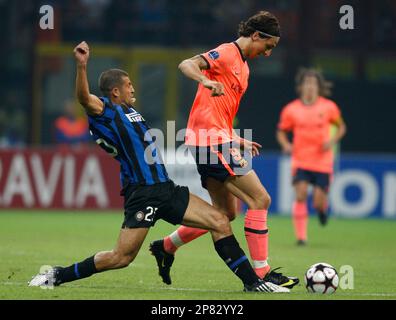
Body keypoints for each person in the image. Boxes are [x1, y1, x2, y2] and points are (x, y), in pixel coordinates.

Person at [28, 41, 289, 293]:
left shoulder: (130, 111)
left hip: (165, 189)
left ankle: (253, 283)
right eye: (128, 85)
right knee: (122, 257)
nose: (133, 89)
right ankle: (57, 275)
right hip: (142, 194)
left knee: (220, 221)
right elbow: (84, 98)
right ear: (115, 91)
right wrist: (82, 66)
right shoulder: (106, 111)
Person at [150, 11, 299, 289]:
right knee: (260, 199)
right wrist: (204, 80)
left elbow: (219, 112)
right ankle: (263, 273)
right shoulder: (227, 53)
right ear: (256, 35)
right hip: (209, 142)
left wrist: (236, 139)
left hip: (216, 139)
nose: (267, 53)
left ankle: (166, 246)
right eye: (268, 46)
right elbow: (186, 64)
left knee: (224, 215)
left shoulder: (244, 68)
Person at [276, 68, 347, 246]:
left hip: (323, 161)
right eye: (306, 83)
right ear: (300, 87)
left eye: (313, 84)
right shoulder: (291, 109)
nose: (310, 87)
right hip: (300, 160)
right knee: (300, 195)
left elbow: (341, 127)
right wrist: (285, 144)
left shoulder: (329, 107)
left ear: (319, 87)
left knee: (317, 201)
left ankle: (322, 210)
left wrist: (332, 141)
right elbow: (281, 131)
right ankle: (301, 237)